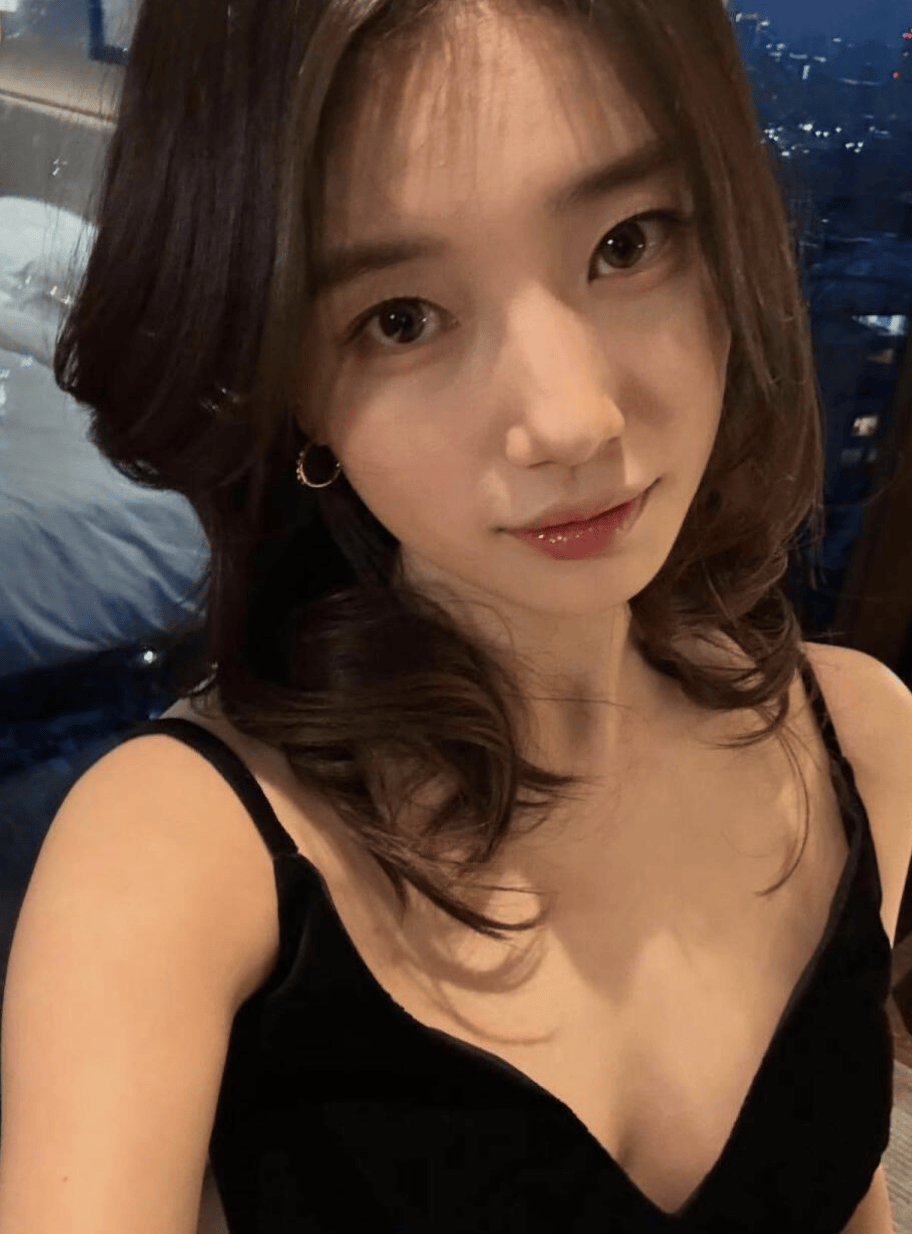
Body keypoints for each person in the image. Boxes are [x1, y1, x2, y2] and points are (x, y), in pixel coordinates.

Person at [0, 0, 908, 1230]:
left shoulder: (864, 744)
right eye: (403, 319)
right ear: (287, 382)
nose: (571, 419)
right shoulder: (176, 863)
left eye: (628, 243)